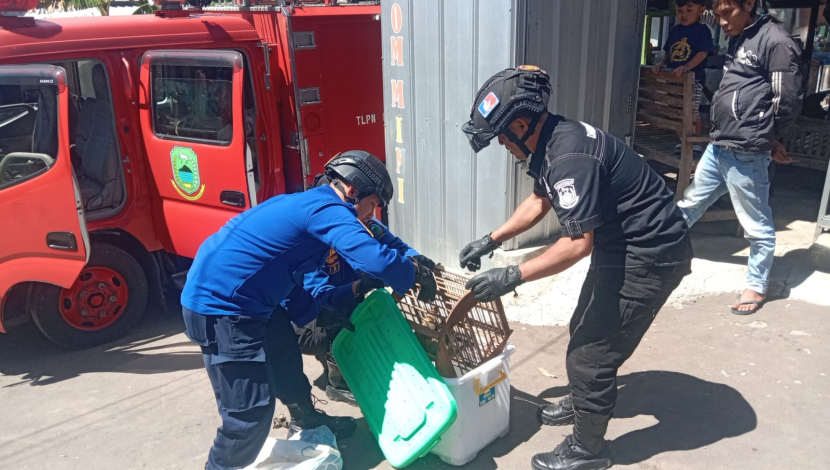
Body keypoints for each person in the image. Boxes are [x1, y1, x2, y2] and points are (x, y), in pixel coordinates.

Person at [459, 66, 693, 470]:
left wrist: (513, 276)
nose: (501, 143)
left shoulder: (568, 155)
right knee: (583, 327)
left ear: (519, 123)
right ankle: (585, 400)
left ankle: (588, 450)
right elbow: (539, 201)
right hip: (622, 245)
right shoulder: (552, 137)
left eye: (501, 135)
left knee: (591, 357)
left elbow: (576, 244)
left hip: (651, 254)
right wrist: (491, 240)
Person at [181, 151, 437, 470]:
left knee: (283, 355)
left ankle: (306, 418)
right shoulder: (328, 209)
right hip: (223, 308)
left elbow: (288, 276)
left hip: (253, 299)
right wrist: (414, 274)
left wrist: (322, 311)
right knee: (248, 419)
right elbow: (378, 259)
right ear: (353, 191)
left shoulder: (309, 204)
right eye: (372, 204)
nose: (373, 215)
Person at [677, 0, 803, 315]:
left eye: (727, 13)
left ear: (748, 5)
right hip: (719, 145)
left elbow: (785, 99)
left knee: (756, 226)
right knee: (688, 205)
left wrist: (770, 139)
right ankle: (654, 249)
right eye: (717, 15)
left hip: (747, 151)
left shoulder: (776, 42)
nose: (721, 22)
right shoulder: (741, 35)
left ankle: (757, 286)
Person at [286, 174, 434, 409]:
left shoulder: (366, 223)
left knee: (365, 315)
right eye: (371, 206)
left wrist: (418, 262)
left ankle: (348, 359)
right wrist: (357, 286)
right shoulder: (313, 242)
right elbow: (320, 295)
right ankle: (338, 383)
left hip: (343, 298)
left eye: (375, 207)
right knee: (342, 317)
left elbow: (398, 247)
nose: (371, 214)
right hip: (306, 318)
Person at [651, 0, 714, 137]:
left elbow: (703, 53)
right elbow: (668, 51)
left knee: (692, 112)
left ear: (701, 10)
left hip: (693, 80)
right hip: (674, 79)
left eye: (689, 10)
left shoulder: (702, 30)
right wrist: (662, 63)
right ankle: (682, 141)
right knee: (676, 112)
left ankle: (694, 143)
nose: (683, 15)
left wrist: (687, 66)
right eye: (680, 11)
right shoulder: (674, 30)